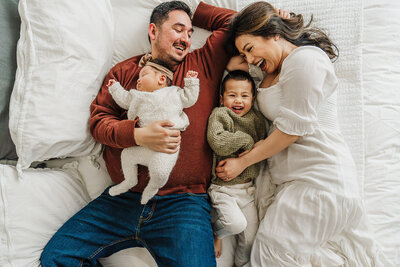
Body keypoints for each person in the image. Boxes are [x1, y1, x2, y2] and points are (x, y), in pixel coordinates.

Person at [40, 1, 235, 266]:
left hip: (183, 203)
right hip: (124, 198)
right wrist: (138, 136)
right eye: (178, 30)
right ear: (153, 32)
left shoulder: (201, 65)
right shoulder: (125, 72)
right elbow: (99, 122)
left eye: (190, 33)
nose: (186, 39)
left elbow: (233, 22)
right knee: (58, 257)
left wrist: (193, 8)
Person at [221, 2, 368, 266]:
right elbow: (228, 37)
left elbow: (291, 131)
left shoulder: (305, 60)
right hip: (294, 181)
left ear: (273, 33)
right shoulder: (268, 71)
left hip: (320, 178)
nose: (250, 59)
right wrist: (241, 61)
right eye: (245, 54)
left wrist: (243, 162)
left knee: (269, 255)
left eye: (250, 49)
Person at [106, 58, 199, 204]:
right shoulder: (137, 95)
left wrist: (191, 82)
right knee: (127, 155)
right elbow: (124, 100)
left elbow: (189, 99)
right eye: (138, 77)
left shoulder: (174, 93)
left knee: (160, 171)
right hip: (144, 144)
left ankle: (153, 186)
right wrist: (115, 88)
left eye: (144, 75)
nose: (138, 80)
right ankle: (130, 180)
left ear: (162, 79)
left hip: (166, 147)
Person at [206, 70, 266, 267]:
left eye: (244, 95)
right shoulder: (221, 114)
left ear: (253, 98)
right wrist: (245, 140)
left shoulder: (256, 119)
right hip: (223, 188)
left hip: (247, 190)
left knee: (250, 238)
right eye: (232, 95)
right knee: (235, 224)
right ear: (222, 99)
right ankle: (217, 232)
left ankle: (240, 264)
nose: (238, 101)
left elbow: (262, 146)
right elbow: (217, 141)